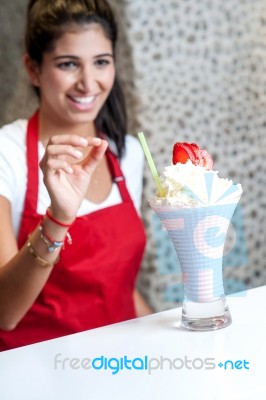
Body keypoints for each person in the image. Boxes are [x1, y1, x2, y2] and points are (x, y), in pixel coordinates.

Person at [0, 0, 152, 351]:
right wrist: (58, 218)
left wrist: (171, 338)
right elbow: (5, 312)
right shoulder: (7, 154)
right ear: (33, 69)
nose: (88, 83)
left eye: (101, 62)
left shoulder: (124, 151)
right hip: (36, 374)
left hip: (119, 364)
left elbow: (118, 291)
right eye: (68, 64)